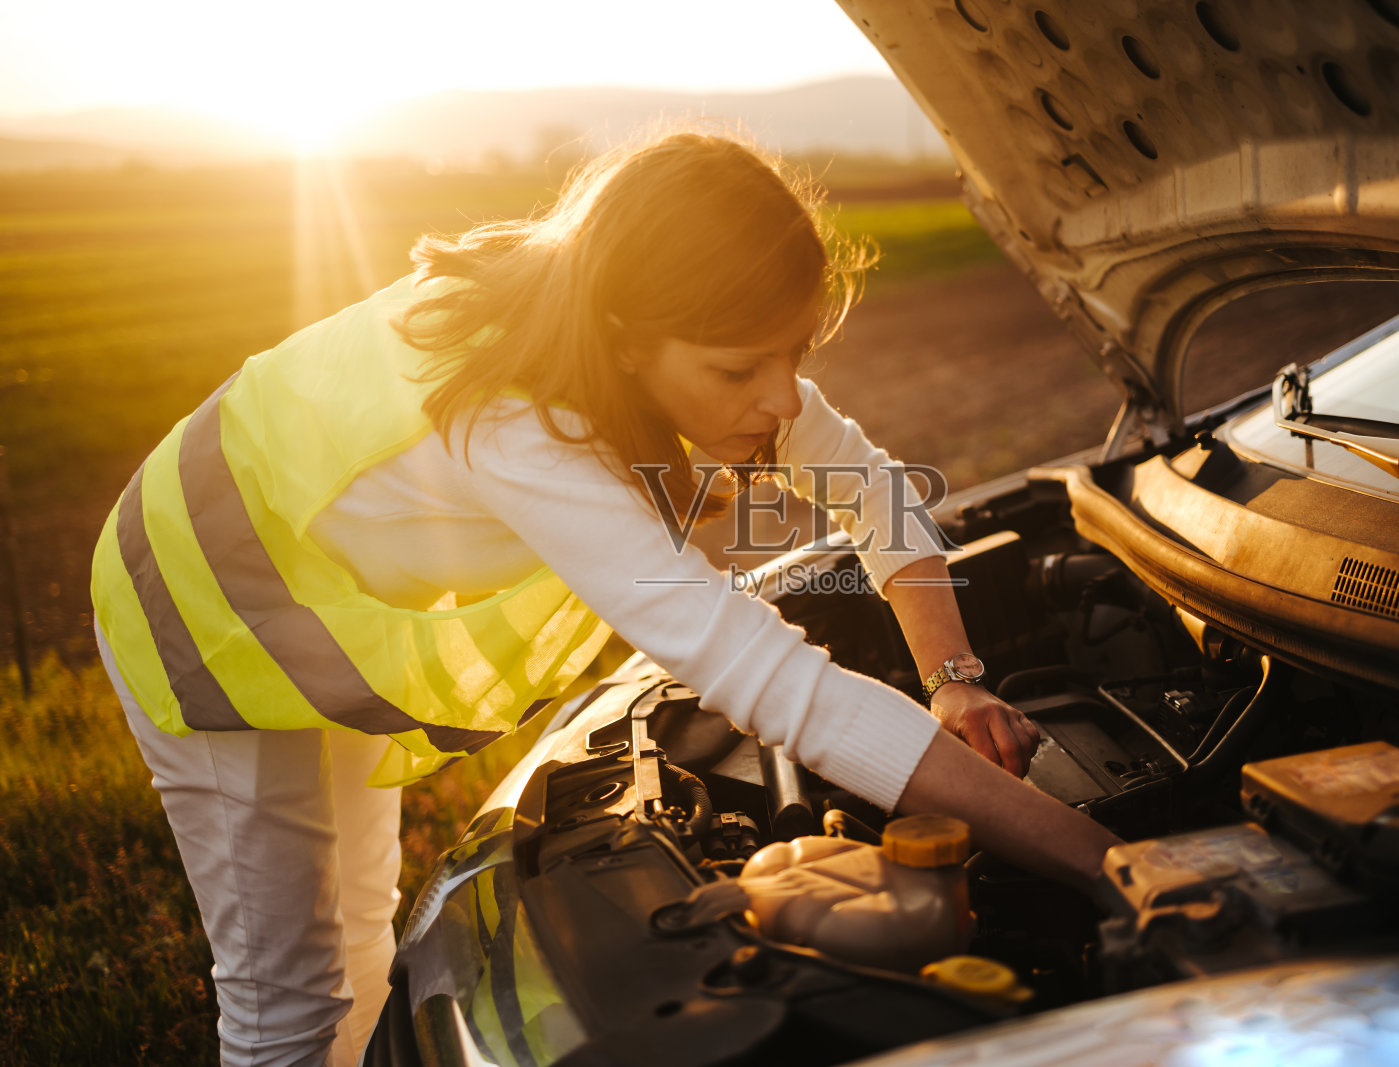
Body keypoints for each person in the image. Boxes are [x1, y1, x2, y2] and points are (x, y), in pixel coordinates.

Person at [91, 129, 1120, 1067]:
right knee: (287, 1002)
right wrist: (1098, 858)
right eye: (740, 366)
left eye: (795, 354)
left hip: (331, 589)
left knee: (360, 936)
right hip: (206, 592)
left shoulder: (640, 322)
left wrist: (952, 677)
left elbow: (872, 486)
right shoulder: (510, 422)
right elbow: (768, 677)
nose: (778, 396)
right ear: (629, 336)